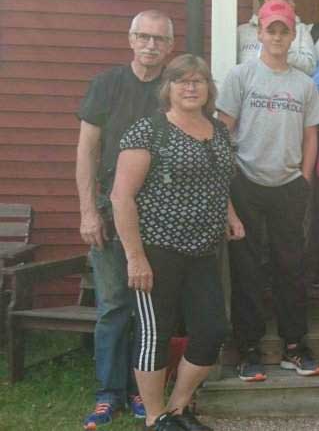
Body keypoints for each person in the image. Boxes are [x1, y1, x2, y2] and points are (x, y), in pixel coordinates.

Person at [110, 54, 241, 431]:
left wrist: (231, 215)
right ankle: (155, 418)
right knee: (156, 333)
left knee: (212, 329)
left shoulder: (218, 131)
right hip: (156, 250)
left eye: (198, 80)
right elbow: (122, 197)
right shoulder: (148, 131)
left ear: (209, 88)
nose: (191, 87)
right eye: (182, 80)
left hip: (203, 251)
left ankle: (177, 408)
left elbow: (218, 180)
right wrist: (135, 257)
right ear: (167, 87)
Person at [217, 0, 319, 382]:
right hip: (246, 181)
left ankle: (294, 345)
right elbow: (223, 130)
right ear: (260, 34)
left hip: (288, 185)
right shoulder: (241, 76)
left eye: (284, 30)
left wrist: (305, 178)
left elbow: (311, 135)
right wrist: (227, 180)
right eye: (271, 30)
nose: (278, 37)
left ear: (293, 35)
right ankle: (248, 349)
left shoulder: (304, 84)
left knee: (291, 268)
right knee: (247, 270)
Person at [76, 9, 174, 429]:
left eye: (159, 39)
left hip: (160, 212)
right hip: (109, 206)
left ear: (170, 46)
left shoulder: (173, 89)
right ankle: (107, 393)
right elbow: (87, 151)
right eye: (144, 37)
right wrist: (87, 211)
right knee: (114, 303)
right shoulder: (107, 84)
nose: (151, 45)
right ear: (131, 39)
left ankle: (140, 389)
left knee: (149, 306)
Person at [237, 0, 317, 76]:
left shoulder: (300, 29)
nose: (293, 4)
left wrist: (281, 49)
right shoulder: (242, 32)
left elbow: (311, 68)